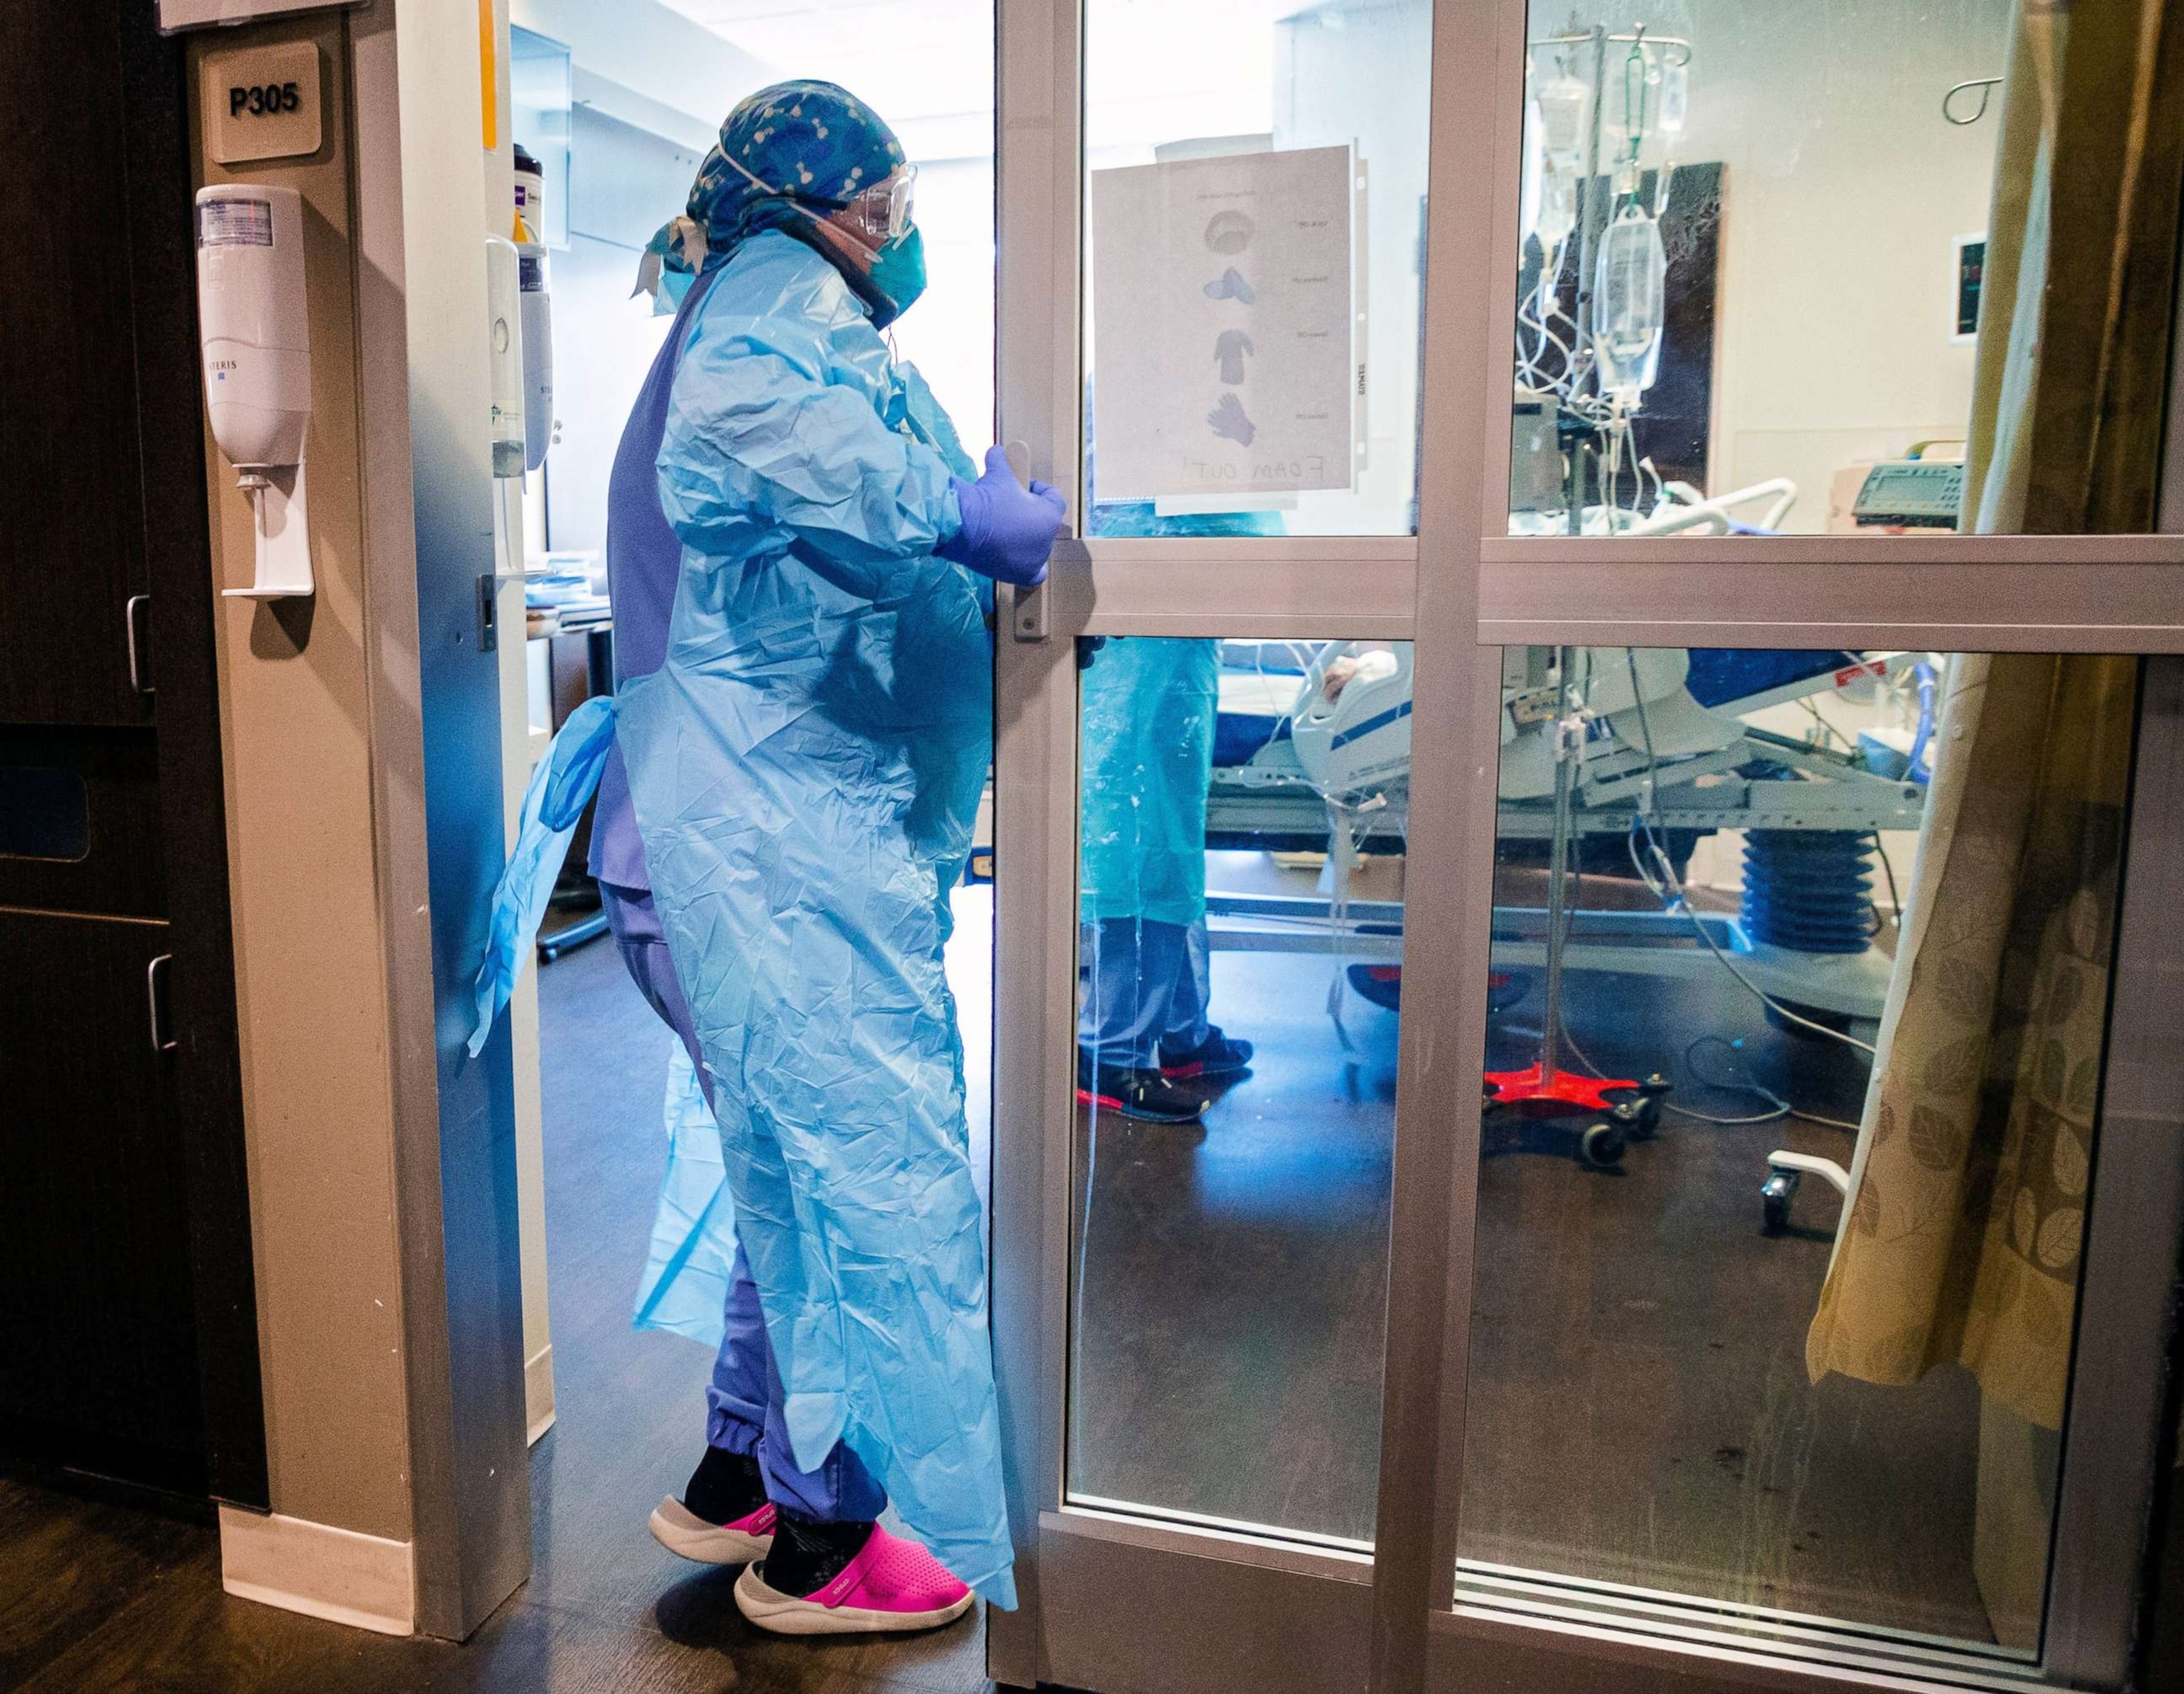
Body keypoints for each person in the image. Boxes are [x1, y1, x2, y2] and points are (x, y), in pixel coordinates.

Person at [590, 81, 1062, 1636]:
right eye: (895, 203)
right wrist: (961, 513)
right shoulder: (773, 303)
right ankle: (823, 1545)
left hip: (703, 842)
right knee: (852, 1188)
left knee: (784, 1166)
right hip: (749, 846)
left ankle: (743, 1472)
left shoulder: (736, 298)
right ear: (828, 207)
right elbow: (775, 428)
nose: (906, 231)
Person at [1073, 503, 1265, 1124]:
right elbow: (1249, 535)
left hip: (1171, 655)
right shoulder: (1157, 458)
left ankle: (1181, 1032)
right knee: (1141, 848)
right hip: (1138, 661)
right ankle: (1110, 1053)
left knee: (1172, 848)